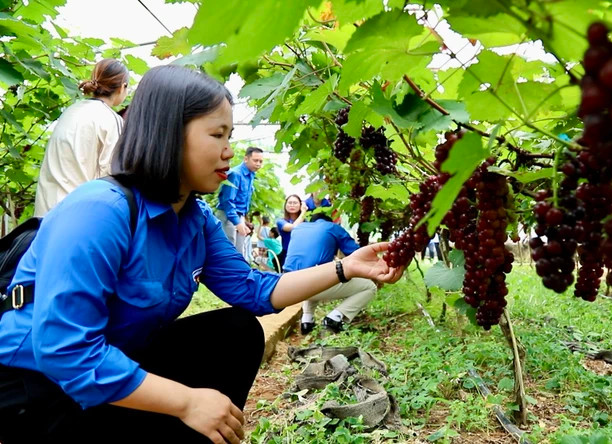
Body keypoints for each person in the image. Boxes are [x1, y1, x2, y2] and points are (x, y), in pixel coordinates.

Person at [0, 65, 403, 444]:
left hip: (114, 365)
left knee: (235, 332)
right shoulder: (100, 210)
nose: (229, 151)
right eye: (218, 135)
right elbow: (65, 351)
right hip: (37, 389)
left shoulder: (194, 217)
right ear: (168, 133)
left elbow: (254, 290)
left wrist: (345, 266)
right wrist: (187, 402)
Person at [34, 59, 129, 216]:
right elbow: (111, 176)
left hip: (45, 212)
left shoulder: (71, 111)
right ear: (122, 87)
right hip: (76, 216)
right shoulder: (111, 119)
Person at [283, 213, 378, 335]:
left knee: (313, 273)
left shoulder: (299, 228)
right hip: (311, 280)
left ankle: (307, 321)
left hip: (287, 283)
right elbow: (356, 253)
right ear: (329, 221)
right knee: (369, 287)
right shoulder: (332, 227)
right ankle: (334, 318)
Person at [215, 146, 264, 261]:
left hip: (239, 216)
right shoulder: (235, 174)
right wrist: (237, 222)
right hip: (227, 215)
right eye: (255, 160)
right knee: (228, 250)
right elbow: (227, 201)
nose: (258, 164)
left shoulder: (251, 175)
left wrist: (242, 220)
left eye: (261, 161)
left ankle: (237, 277)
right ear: (246, 159)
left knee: (239, 252)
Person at [276, 194, 308, 269]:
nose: (292, 205)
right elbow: (293, 227)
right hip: (287, 256)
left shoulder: (306, 222)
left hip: (303, 255)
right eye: (290, 203)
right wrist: (303, 212)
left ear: (300, 205)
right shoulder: (281, 221)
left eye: (295, 203)